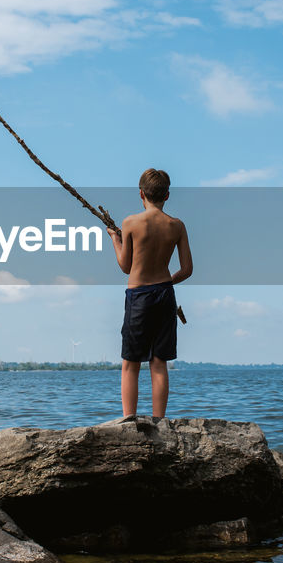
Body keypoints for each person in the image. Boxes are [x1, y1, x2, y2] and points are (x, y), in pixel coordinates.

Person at [107, 168, 193, 420]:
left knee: (130, 364)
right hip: (165, 295)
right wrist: (166, 282)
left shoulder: (131, 222)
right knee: (159, 362)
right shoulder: (177, 226)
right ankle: (159, 420)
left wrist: (115, 239)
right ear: (167, 195)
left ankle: (129, 419)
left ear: (141, 194)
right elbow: (187, 270)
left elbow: (126, 266)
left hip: (139, 296)